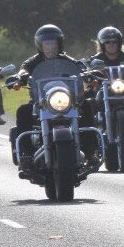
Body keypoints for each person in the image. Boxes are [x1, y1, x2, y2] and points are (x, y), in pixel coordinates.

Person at [9, 24, 96, 173]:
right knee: (23, 111)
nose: (50, 46)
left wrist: (89, 73)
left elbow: (81, 67)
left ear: (59, 43)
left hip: (66, 101)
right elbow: (24, 69)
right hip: (41, 102)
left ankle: (90, 152)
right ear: (40, 45)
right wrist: (19, 77)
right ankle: (27, 154)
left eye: (53, 43)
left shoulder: (68, 60)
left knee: (87, 106)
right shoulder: (33, 62)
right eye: (46, 43)